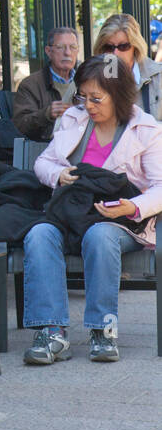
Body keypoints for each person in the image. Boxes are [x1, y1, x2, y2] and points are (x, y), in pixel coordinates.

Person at [21, 55, 162, 365]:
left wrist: (132, 206)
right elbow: (43, 162)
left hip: (121, 221)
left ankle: (103, 329)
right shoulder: (74, 119)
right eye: (82, 97)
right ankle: (51, 330)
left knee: (100, 236)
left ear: (120, 95)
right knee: (40, 234)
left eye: (96, 98)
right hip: (72, 215)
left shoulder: (146, 130)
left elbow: (160, 186)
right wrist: (58, 174)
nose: (88, 105)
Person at [12, 26, 79, 141]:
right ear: (48, 51)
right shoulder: (30, 85)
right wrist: (46, 114)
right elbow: (19, 126)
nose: (67, 53)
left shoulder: (86, 82)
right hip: (44, 149)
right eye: (60, 47)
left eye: (73, 47)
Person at [92, 13, 162, 118]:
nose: (116, 53)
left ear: (135, 46)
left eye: (123, 46)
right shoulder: (90, 76)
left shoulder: (158, 76)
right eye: (109, 47)